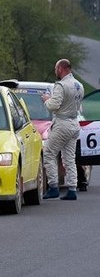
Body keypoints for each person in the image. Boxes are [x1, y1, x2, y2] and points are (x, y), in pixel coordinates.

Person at [42, 58, 84, 200]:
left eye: (56, 69)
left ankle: (53, 186)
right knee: (69, 158)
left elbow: (54, 105)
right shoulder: (79, 85)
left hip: (62, 123)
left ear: (60, 69)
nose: (55, 71)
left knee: (48, 153)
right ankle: (72, 189)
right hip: (74, 124)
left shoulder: (61, 85)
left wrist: (47, 99)